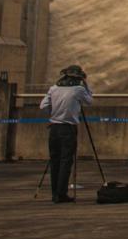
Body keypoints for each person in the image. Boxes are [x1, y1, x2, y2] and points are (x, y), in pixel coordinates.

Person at [39, 64, 93, 203]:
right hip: (68, 128)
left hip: (54, 127)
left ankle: (54, 193)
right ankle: (61, 194)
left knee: (55, 161)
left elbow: (43, 106)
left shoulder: (54, 88)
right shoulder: (79, 89)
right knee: (65, 161)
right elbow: (89, 101)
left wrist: (54, 114)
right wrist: (86, 86)